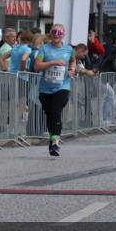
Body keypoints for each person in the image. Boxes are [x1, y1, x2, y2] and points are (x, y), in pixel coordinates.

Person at [34, 24, 76, 157]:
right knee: (50, 115)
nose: (56, 35)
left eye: (59, 32)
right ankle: (53, 141)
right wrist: (53, 63)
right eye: (54, 32)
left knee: (55, 112)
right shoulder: (44, 49)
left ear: (63, 34)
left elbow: (73, 61)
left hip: (62, 87)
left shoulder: (69, 49)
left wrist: (72, 70)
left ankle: (56, 143)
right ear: (51, 34)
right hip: (45, 89)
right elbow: (37, 66)